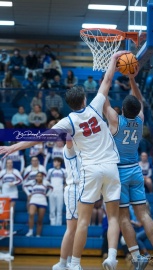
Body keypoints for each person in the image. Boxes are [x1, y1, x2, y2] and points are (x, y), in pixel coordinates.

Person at [0, 51, 125, 270]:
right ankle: (112, 256)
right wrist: (114, 58)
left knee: (82, 222)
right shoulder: (96, 105)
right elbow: (107, 80)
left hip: (91, 170)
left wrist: (12, 146)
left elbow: (37, 138)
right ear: (84, 99)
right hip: (112, 167)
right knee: (113, 216)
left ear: (69, 104)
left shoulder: (68, 122)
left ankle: (75, 264)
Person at [103, 65, 153, 269]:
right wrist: (132, 79)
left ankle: (137, 256)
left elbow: (103, 99)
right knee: (144, 214)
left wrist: (108, 76)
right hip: (136, 170)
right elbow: (138, 99)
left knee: (123, 217)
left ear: (122, 110)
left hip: (120, 173)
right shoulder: (140, 120)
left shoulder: (115, 121)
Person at [52, 139, 80, 270]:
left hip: (85, 189)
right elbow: (69, 136)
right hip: (74, 189)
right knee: (72, 229)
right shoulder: (69, 146)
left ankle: (72, 262)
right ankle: (63, 263)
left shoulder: (84, 149)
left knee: (79, 229)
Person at [24, 172, 53, 237]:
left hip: (42, 201)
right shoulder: (32, 182)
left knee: (40, 220)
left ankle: (38, 234)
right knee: (31, 214)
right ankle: (30, 231)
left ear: (42, 177)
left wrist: (47, 194)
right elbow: (24, 186)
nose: (39, 177)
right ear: (36, 177)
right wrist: (28, 194)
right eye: (37, 176)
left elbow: (52, 188)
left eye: (40, 176)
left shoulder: (46, 183)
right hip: (33, 200)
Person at [46, 157, 66, 226]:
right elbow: (47, 181)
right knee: (52, 209)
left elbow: (67, 181)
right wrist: (49, 188)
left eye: (55, 162)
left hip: (60, 192)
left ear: (59, 163)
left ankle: (58, 224)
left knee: (59, 209)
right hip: (52, 191)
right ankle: (52, 223)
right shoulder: (50, 171)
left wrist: (64, 187)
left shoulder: (63, 171)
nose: (54, 163)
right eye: (54, 162)